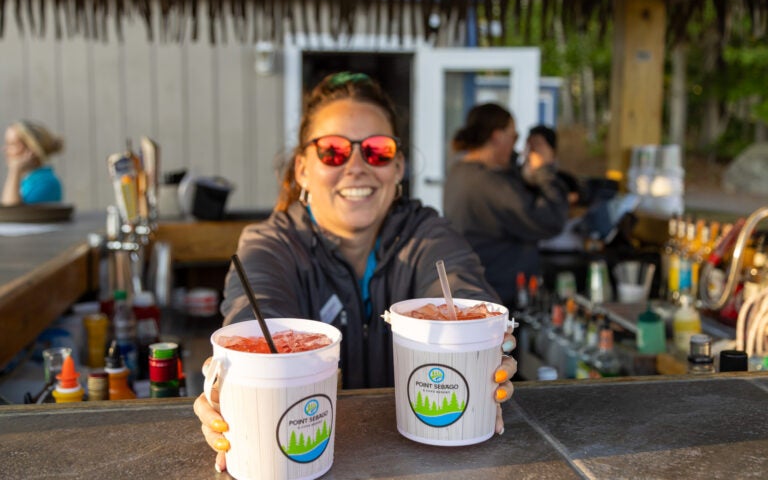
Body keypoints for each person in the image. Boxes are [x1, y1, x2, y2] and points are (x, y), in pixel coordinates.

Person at [193, 72, 518, 473]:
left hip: (425, 461)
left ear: (398, 167)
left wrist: (489, 357)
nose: (357, 167)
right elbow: (253, 317)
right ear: (302, 169)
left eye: (377, 151)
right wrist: (233, 387)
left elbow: (465, 292)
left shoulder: (427, 234)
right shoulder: (269, 244)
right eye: (333, 151)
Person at [443, 103, 569, 307]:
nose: (515, 145)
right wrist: (544, 169)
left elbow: (507, 185)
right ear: (497, 137)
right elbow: (550, 220)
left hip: (478, 289)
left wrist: (526, 171)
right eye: (513, 136)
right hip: (498, 297)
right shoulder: (488, 183)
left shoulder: (460, 170)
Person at [2, 120, 63, 205]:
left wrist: (15, 169)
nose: (5, 149)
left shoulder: (46, 182)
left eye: (12, 144)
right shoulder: (27, 181)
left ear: (32, 149)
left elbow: (11, 210)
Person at [527, 124, 582, 206]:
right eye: (529, 144)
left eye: (538, 144)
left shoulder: (566, 181)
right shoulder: (517, 179)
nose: (533, 150)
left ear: (552, 150)